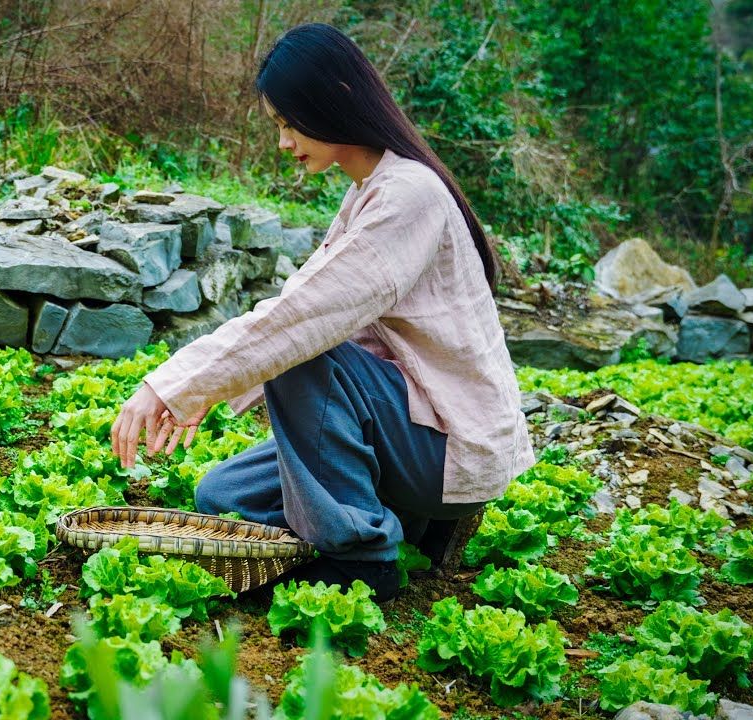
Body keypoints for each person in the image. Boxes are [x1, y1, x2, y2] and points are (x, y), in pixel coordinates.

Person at [109, 22, 534, 602]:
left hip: (448, 443)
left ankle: (364, 559)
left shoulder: (410, 194)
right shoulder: (368, 192)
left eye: (288, 122)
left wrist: (173, 387)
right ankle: (406, 522)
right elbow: (304, 304)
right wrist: (200, 391)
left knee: (301, 351)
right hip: (410, 429)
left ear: (333, 97)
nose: (283, 141)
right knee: (223, 496)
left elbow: (302, 319)